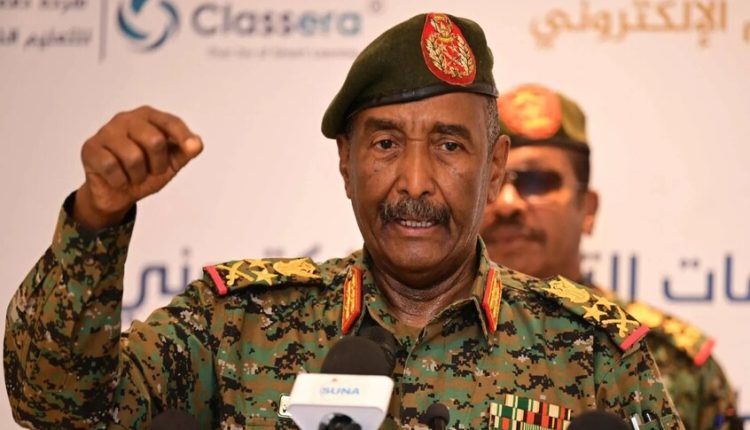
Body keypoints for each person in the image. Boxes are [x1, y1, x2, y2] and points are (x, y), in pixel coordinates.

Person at [5, 14, 684, 430]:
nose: (414, 182)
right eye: (385, 144)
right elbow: (58, 406)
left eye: (450, 146)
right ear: (346, 162)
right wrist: (97, 218)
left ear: (495, 167)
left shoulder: (594, 351)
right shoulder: (234, 327)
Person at [481, 83, 739, 430]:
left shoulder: (671, 364)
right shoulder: (429, 340)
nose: (507, 203)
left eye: (538, 181)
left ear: (588, 210)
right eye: (492, 181)